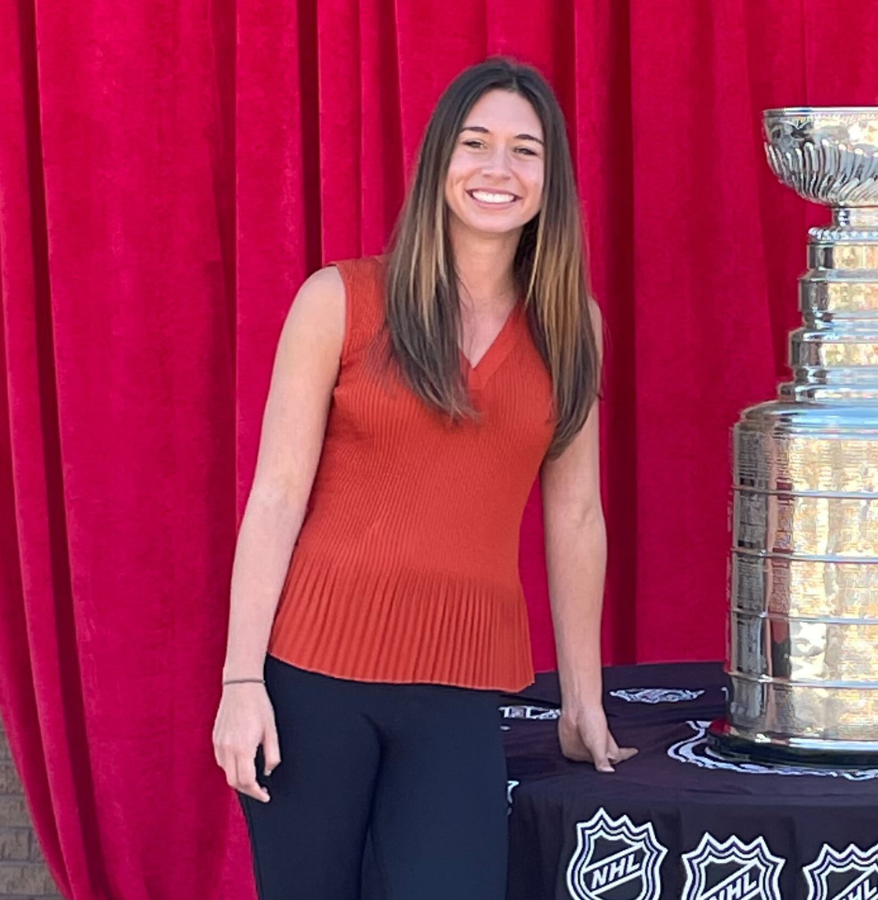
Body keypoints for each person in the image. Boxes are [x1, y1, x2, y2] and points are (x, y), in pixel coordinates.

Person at [210, 57, 636, 900]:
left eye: (526, 151)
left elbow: (577, 515)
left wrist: (583, 699)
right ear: (440, 162)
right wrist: (240, 682)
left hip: (460, 689)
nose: (497, 170)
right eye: (475, 144)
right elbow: (275, 497)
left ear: (552, 181)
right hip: (309, 681)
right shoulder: (338, 300)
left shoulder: (570, 328)